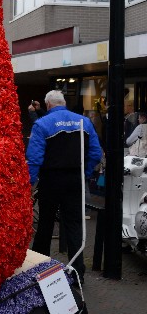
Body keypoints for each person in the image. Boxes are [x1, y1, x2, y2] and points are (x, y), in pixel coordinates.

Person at [26, 90, 102, 282]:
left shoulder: (41, 124)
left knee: (45, 224)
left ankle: (39, 270)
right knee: (74, 225)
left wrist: (29, 183)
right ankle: (77, 273)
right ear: (63, 103)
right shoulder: (84, 122)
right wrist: (84, 174)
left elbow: (34, 158)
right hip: (75, 179)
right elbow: (95, 152)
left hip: (51, 180)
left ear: (48, 105)